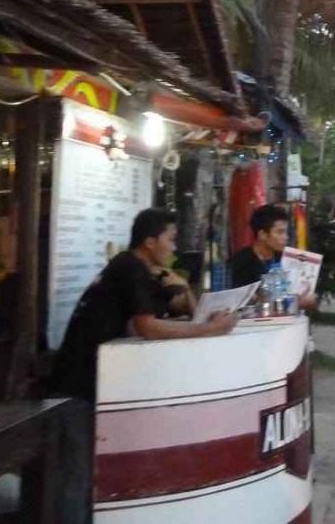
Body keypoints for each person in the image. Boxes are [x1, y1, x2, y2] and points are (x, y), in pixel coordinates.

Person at [50, 209, 239, 524]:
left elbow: (182, 312)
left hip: (97, 385)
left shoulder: (140, 271)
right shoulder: (130, 268)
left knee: (88, 476)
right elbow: (148, 327)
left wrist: (183, 287)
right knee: (77, 478)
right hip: (77, 387)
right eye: (171, 239)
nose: (174, 248)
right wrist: (209, 329)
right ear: (150, 242)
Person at [228, 204, 318, 310]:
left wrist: (310, 299)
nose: (286, 237)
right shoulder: (241, 263)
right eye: (280, 232)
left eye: (286, 232)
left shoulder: (288, 259)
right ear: (262, 234)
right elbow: (240, 303)